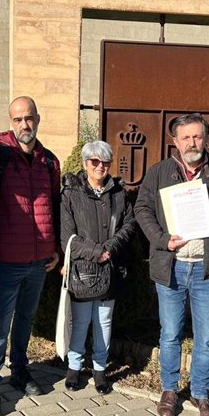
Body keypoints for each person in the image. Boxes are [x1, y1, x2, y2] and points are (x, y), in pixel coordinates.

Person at [135, 112, 209, 416]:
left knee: (206, 337)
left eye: (197, 136)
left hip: (206, 269)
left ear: (206, 139)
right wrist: (161, 239)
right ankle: (169, 389)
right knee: (170, 334)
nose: (192, 143)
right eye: (186, 137)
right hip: (172, 267)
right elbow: (142, 209)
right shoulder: (160, 172)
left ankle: (201, 392)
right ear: (175, 141)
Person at [0, 96, 61, 416]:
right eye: (18, 120)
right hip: (8, 259)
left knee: (24, 318)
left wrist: (55, 249)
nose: (24, 125)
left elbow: (53, 207)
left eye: (29, 118)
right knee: (1, 320)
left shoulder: (48, 161)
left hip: (40, 259)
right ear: (10, 122)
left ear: (37, 119)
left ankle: (20, 370)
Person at [60, 141, 137, 394]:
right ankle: (74, 367)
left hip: (111, 268)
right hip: (83, 269)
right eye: (95, 161)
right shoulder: (71, 194)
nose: (100, 166)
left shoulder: (118, 193)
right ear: (85, 163)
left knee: (104, 322)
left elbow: (129, 224)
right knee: (80, 322)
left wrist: (110, 249)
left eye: (105, 162)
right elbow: (67, 237)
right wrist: (96, 252)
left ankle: (100, 370)